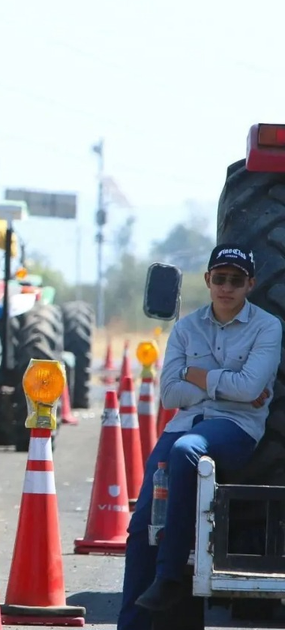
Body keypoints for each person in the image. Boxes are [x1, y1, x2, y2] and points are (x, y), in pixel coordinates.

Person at [117, 243, 282, 629]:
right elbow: (170, 395)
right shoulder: (186, 328)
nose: (227, 287)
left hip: (235, 429)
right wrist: (229, 386)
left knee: (186, 450)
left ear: (250, 284)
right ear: (208, 280)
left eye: (236, 280)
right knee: (140, 528)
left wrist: (195, 376)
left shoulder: (267, 327)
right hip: (184, 422)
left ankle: (169, 575)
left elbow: (249, 388)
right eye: (220, 278)